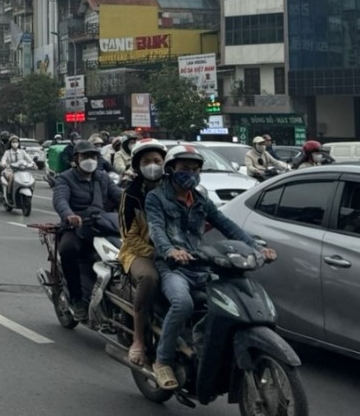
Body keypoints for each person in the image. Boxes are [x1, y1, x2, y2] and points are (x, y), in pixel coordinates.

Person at [145, 145, 277, 390]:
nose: (190, 174)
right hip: (173, 268)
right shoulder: (156, 198)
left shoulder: (201, 200)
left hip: (202, 267)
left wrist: (257, 248)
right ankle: (162, 361)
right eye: (185, 168)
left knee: (227, 303)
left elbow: (228, 226)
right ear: (171, 169)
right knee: (182, 303)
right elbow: (156, 230)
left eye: (195, 169)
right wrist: (171, 251)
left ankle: (202, 347)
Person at [52, 140, 123, 314]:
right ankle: (76, 299)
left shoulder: (103, 177)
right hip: (77, 228)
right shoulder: (65, 178)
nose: (90, 160)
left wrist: (141, 205)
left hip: (102, 226)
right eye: (85, 156)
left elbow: (120, 197)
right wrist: (70, 216)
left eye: (93, 156)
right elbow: (60, 200)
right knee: (68, 250)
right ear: (76, 158)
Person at [117, 139, 168, 366]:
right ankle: (138, 340)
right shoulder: (131, 195)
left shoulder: (176, 189)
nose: (153, 165)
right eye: (147, 161)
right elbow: (128, 236)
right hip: (139, 252)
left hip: (176, 252)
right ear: (138, 165)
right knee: (149, 278)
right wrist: (158, 252)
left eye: (157, 160)